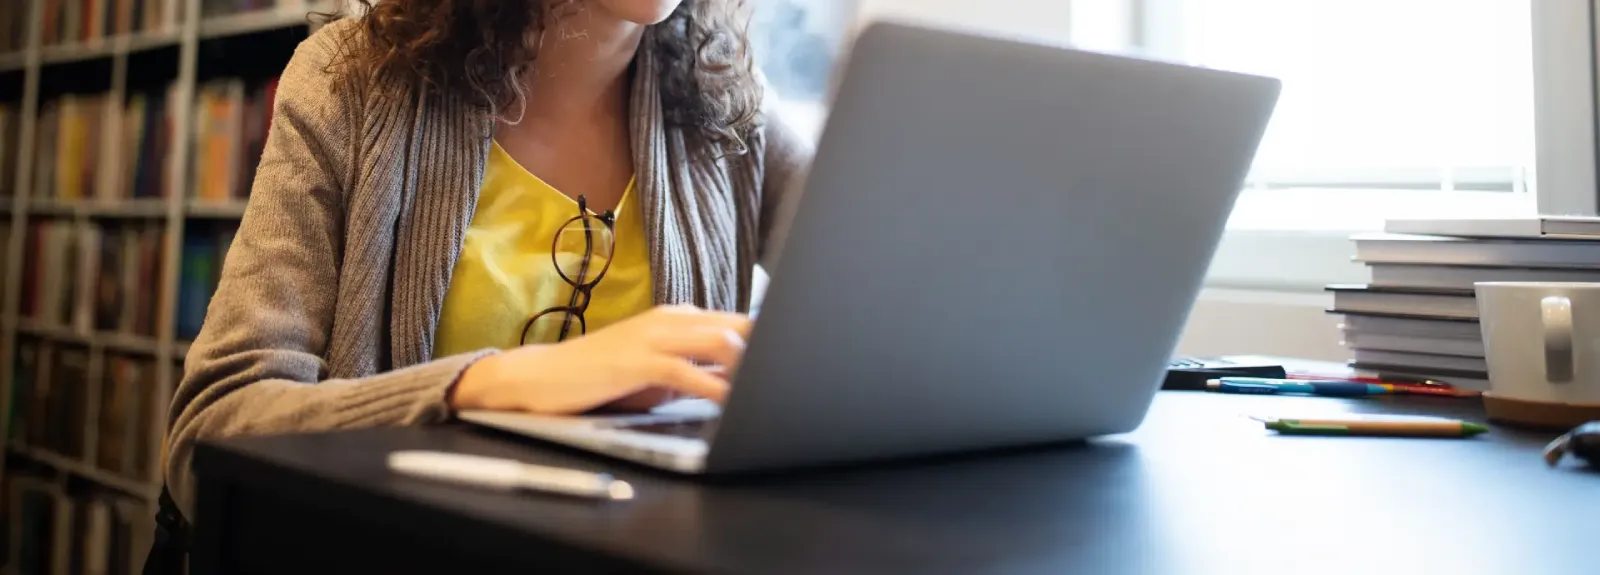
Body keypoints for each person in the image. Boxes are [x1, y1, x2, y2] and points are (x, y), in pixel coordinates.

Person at [160, 0, 810, 521]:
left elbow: (888, 296)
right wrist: (486, 385)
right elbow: (214, 426)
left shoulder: (730, 106)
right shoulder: (347, 80)